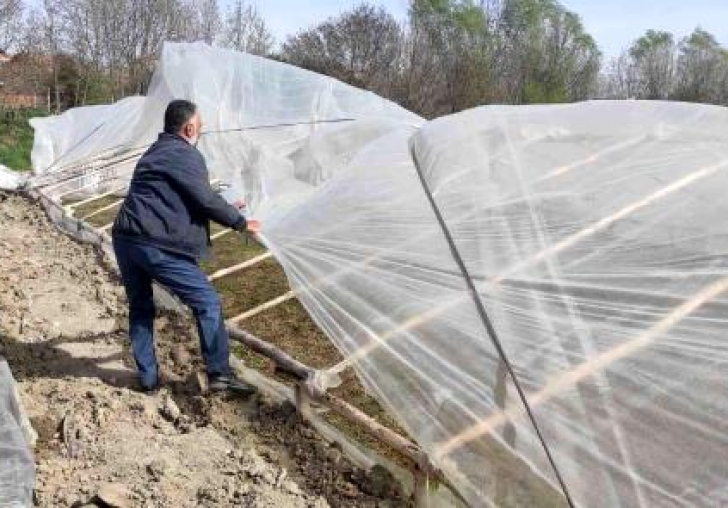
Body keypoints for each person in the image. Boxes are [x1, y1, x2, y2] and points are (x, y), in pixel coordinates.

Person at [112, 99, 258, 395]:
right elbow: (203, 199)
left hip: (126, 238)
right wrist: (241, 222)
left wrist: (226, 206)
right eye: (200, 127)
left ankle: (148, 378)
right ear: (189, 127)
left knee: (140, 307)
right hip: (153, 243)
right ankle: (220, 375)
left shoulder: (156, 152)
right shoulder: (185, 153)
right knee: (207, 302)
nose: (200, 131)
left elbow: (179, 197)